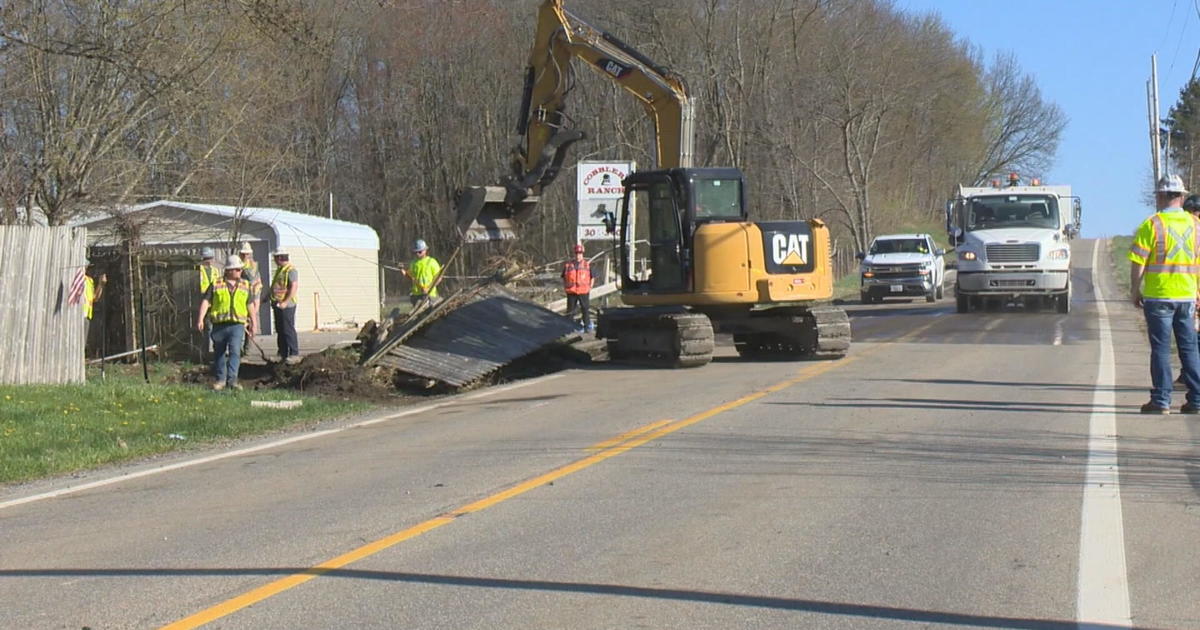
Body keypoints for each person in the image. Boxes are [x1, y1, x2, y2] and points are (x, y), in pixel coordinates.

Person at [1129, 174, 1200, 414]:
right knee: (1189, 348)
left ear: (1160, 196)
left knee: (1160, 348)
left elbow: (1138, 261)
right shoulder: (1195, 224)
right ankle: (1197, 399)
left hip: (1159, 295)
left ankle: (1161, 400)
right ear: (1182, 196)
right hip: (1187, 296)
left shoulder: (1152, 224)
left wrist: (1135, 289)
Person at [196, 255, 258, 390]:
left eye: (240, 269)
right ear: (229, 270)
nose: (239, 271)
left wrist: (254, 323)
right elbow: (206, 301)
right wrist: (200, 318)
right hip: (219, 325)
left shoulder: (245, 285)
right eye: (237, 269)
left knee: (235, 351)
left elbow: (250, 305)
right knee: (219, 353)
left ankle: (232, 380)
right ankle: (220, 380)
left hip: (237, 325)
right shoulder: (216, 284)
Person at [269, 249, 300, 364]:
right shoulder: (280, 270)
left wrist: (285, 301)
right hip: (278, 304)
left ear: (280, 258)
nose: (275, 260)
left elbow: (293, 287)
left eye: (276, 258)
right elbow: (275, 286)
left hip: (287, 305)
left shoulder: (291, 270)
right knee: (280, 330)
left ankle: (294, 353)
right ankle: (282, 353)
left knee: (288, 329)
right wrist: (267, 297)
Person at [562, 243, 594, 332]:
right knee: (570, 311)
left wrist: (590, 287)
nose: (578, 255)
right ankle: (568, 328)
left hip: (583, 291)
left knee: (585, 309)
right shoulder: (568, 265)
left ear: (582, 254)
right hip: (572, 291)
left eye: (580, 253)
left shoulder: (587, 265)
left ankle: (587, 327)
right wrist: (565, 287)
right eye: (576, 253)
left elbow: (592, 277)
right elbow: (564, 277)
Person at [237, 242, 262, 354]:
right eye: (243, 254)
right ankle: (238, 348)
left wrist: (256, 304)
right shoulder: (236, 265)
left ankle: (247, 348)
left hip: (251, 297)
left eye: (247, 254)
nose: (245, 256)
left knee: (250, 322)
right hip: (239, 298)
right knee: (239, 322)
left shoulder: (253, 266)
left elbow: (258, 284)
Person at [406, 239, 442, 306]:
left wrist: (429, 288)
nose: (417, 254)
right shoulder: (413, 263)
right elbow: (410, 277)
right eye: (416, 252)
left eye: (420, 252)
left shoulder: (431, 262)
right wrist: (403, 271)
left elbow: (439, 278)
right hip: (416, 295)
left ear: (425, 250)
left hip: (430, 295)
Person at [198, 247, 219, 357]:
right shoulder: (198, 270)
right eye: (207, 258)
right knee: (207, 328)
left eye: (210, 258)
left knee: (214, 327)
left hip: (214, 302)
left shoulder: (215, 270)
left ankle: (216, 350)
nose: (208, 260)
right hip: (204, 301)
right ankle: (205, 352)